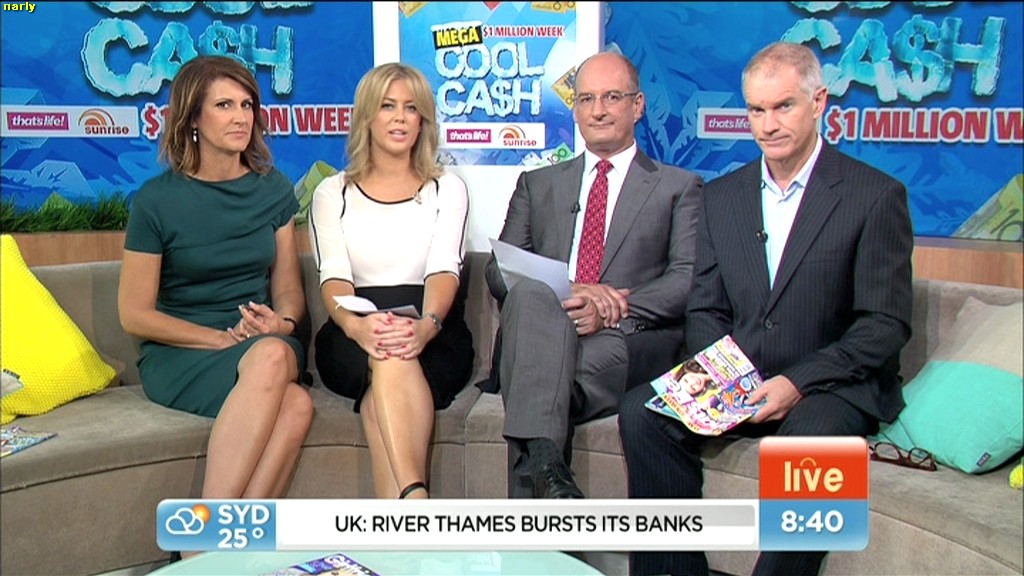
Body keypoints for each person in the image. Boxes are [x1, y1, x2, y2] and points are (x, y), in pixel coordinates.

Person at [618, 41, 913, 575]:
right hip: (742, 373)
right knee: (643, 413)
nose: (768, 124)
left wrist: (796, 382)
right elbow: (706, 307)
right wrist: (725, 377)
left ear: (818, 102)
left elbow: (884, 325)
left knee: (811, 446)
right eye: (756, 109)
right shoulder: (722, 196)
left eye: (783, 107)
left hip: (829, 385)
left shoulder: (874, 196)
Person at [484, 51, 704, 499]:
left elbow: (686, 279)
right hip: (543, 330)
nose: (598, 110)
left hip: (621, 338)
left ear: (638, 105)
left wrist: (611, 307)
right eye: (586, 99)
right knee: (528, 297)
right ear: (575, 109)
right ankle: (549, 469)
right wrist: (571, 290)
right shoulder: (537, 184)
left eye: (611, 97)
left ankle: (538, 483)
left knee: (536, 378)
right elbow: (497, 271)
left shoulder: (678, 187)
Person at [118, 56, 313, 522]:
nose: (241, 116)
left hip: (260, 343)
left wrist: (281, 322)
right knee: (293, 396)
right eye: (224, 105)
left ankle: (208, 543)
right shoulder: (155, 201)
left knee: (278, 366)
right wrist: (216, 339)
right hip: (182, 352)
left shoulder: (273, 190)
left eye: (247, 105)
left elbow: (289, 291)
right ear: (192, 119)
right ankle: (214, 538)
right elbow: (134, 315)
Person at [308, 63, 474, 500]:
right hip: (351, 331)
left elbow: (445, 268)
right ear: (367, 116)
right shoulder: (332, 193)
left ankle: (405, 512)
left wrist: (427, 326)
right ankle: (416, 500)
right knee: (386, 347)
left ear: (423, 121)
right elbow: (334, 277)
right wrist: (356, 327)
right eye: (387, 106)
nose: (400, 118)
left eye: (411, 108)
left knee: (384, 380)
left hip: (433, 329)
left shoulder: (447, 188)